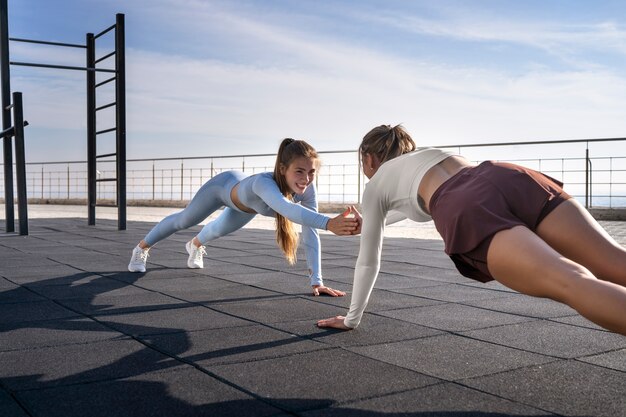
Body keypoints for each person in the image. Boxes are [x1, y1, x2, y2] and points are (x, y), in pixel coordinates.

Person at [317, 124, 626, 335]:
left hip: (463, 204)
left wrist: (352, 318)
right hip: (504, 175)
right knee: (613, 259)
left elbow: (368, 261)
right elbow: (410, 205)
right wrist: (373, 222)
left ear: (369, 159)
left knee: (572, 282)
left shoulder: (378, 183)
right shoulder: (427, 155)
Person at [128, 138, 359, 297]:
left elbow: (310, 231)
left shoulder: (307, 188)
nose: (306, 178)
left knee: (218, 230)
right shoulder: (263, 183)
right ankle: (141, 248)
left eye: (311, 172)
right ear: (282, 169)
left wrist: (316, 281)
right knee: (184, 221)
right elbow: (287, 210)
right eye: (299, 171)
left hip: (245, 208)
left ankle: (195, 245)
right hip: (222, 189)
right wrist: (329, 222)